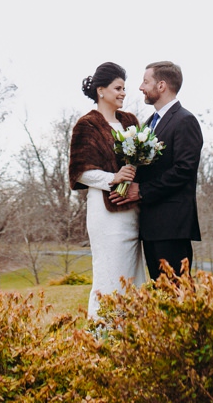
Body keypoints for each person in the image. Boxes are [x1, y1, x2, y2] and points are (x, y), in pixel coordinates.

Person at [68, 61, 144, 317]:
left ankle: (131, 334)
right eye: (118, 88)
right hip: (105, 213)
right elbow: (80, 171)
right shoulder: (87, 125)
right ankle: (100, 335)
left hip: (133, 210)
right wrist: (113, 177)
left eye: (124, 88)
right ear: (101, 90)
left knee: (134, 276)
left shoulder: (131, 121)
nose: (123, 93)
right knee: (109, 274)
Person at [114, 59, 202, 279]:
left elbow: (184, 169)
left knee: (177, 293)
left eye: (145, 82)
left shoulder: (185, 120)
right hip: (151, 224)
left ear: (161, 86)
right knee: (159, 295)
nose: (141, 87)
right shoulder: (149, 123)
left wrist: (142, 191)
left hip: (172, 224)